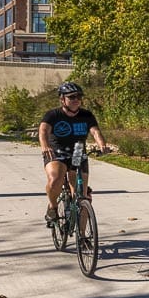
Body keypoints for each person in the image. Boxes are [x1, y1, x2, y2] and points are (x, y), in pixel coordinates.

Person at [40, 82, 109, 225]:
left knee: (81, 197)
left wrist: (102, 145)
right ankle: (52, 207)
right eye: (71, 97)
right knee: (55, 180)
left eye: (79, 96)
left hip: (78, 151)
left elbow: (95, 131)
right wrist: (45, 145)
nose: (76, 99)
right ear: (62, 99)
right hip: (56, 150)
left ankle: (83, 238)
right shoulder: (53, 115)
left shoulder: (86, 115)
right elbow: (43, 130)